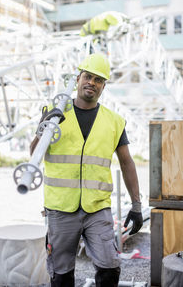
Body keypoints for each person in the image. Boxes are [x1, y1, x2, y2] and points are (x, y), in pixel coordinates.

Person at [30, 52, 143, 287]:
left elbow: (127, 162)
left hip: (97, 208)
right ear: (78, 79)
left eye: (98, 79)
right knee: (61, 274)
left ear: (103, 86)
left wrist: (136, 205)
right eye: (88, 76)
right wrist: (43, 129)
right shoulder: (56, 111)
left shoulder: (114, 121)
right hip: (61, 208)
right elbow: (34, 155)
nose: (92, 82)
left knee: (110, 267)